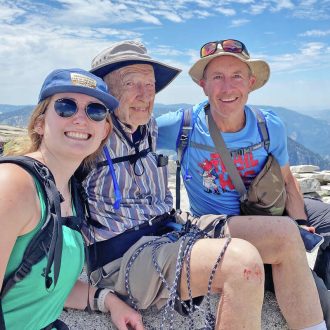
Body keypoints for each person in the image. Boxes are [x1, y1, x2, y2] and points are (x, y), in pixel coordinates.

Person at [79, 40, 267, 329]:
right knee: (241, 262)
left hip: (170, 229)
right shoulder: (88, 136)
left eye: (150, 85)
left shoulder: (149, 127)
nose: (145, 95)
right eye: (132, 84)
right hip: (123, 257)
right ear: (106, 89)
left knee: (283, 234)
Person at [157, 39, 328, 329]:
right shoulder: (182, 125)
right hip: (225, 226)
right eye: (217, 77)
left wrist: (299, 223)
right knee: (318, 296)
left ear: (250, 83)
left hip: (269, 210)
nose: (227, 88)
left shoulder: (268, 125)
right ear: (203, 85)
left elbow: (287, 181)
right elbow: (124, 131)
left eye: (236, 76)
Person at [0, 68, 141, 329]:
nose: (81, 118)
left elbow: (45, 283)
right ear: (40, 123)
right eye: (66, 107)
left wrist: (106, 299)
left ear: (104, 132)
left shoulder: (71, 193)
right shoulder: (13, 185)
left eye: (95, 111)